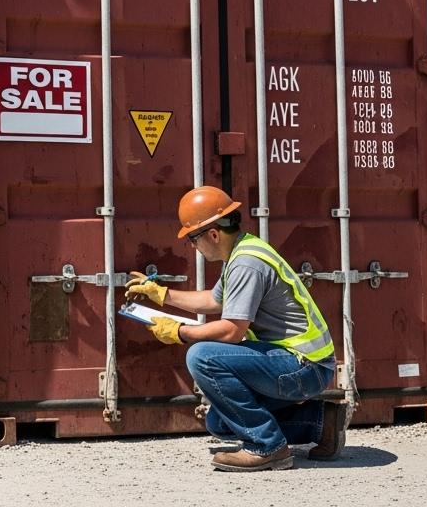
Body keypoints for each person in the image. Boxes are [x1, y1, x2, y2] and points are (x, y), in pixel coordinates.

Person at [126, 185, 347, 471]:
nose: (193, 246)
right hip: (301, 363)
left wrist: (179, 332)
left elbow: (233, 331)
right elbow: (213, 300)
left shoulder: (246, 263)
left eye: (193, 238)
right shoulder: (242, 251)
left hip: (304, 366)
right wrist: (161, 294)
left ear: (213, 234)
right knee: (220, 421)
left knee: (201, 356)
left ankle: (267, 447)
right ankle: (320, 423)